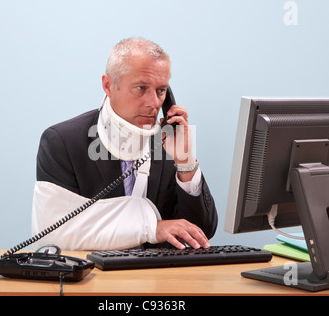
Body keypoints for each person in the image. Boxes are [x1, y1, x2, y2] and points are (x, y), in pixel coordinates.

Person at [31, 37, 217, 251]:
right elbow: (54, 234)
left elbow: (201, 233)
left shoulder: (167, 143)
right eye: (141, 88)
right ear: (108, 85)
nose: (154, 103)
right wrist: (150, 227)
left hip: (161, 279)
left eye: (161, 90)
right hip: (93, 279)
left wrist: (185, 162)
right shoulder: (62, 142)